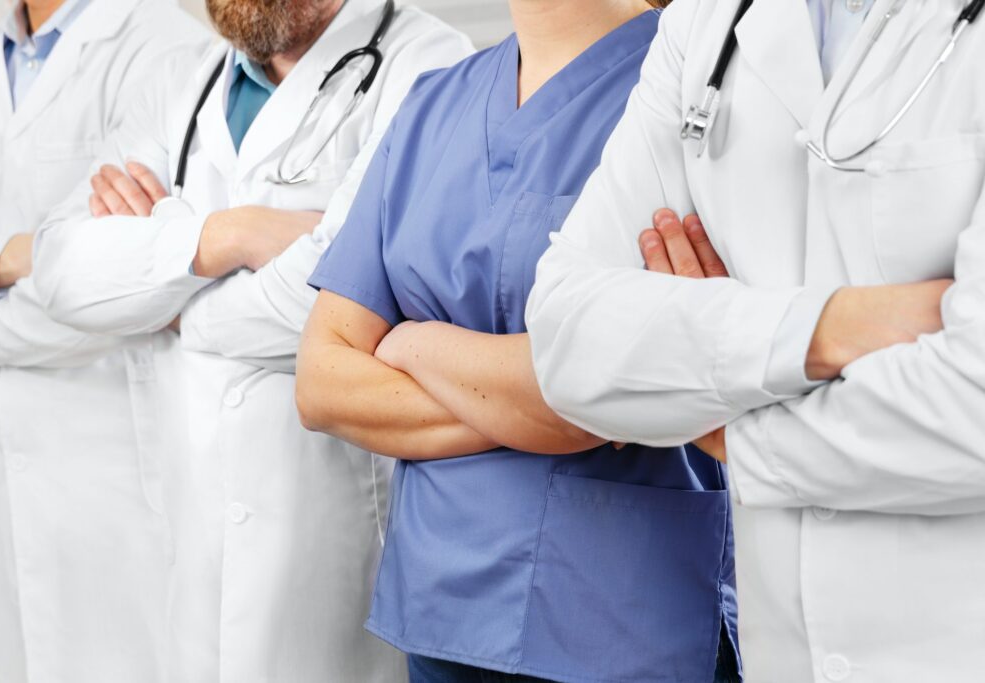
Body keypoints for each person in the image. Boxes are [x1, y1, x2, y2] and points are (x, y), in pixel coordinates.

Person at [526, 0, 985, 680]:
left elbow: (974, 411)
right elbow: (566, 340)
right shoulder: (704, 23)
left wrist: (727, 424)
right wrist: (830, 328)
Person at [297, 1, 742, 682]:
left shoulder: (700, 88)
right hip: (441, 615)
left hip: (625, 615)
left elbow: (621, 384)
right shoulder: (433, 104)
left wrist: (415, 344)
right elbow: (323, 382)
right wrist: (540, 393)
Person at [31, 0, 473, 680]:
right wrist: (227, 235)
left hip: (338, 552)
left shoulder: (430, 66)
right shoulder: (180, 82)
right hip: (186, 551)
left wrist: (166, 297)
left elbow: (338, 295)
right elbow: (60, 269)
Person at [0, 1, 207, 680]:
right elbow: (78, 272)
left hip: (114, 493)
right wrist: (20, 257)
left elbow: (123, 284)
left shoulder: (162, 49)